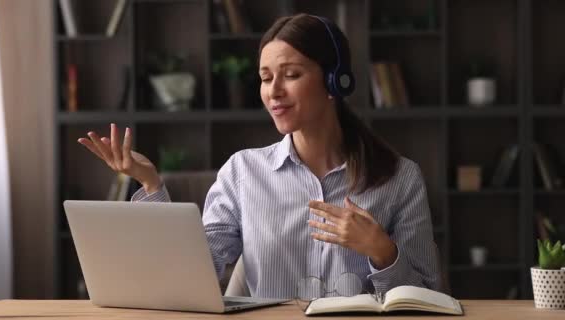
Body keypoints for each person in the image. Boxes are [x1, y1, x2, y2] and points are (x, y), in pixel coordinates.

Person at [77, 13, 440, 299]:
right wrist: (151, 183)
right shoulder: (243, 172)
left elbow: (429, 296)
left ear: (334, 82)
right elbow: (190, 274)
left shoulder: (400, 177)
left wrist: (382, 251)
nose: (274, 92)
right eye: (266, 78)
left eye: (291, 74)